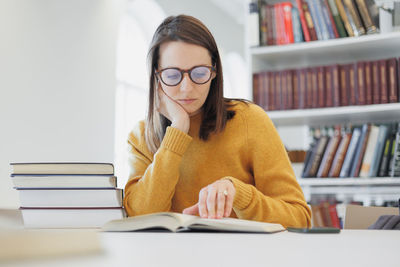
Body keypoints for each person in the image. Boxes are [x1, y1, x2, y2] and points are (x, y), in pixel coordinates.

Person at [123, 15, 311, 228]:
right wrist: (178, 129)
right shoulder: (141, 136)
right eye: (173, 75)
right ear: (157, 77)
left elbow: (300, 218)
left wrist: (240, 194)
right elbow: (140, 219)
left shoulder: (250, 120)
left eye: (199, 73)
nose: (187, 88)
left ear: (214, 72)